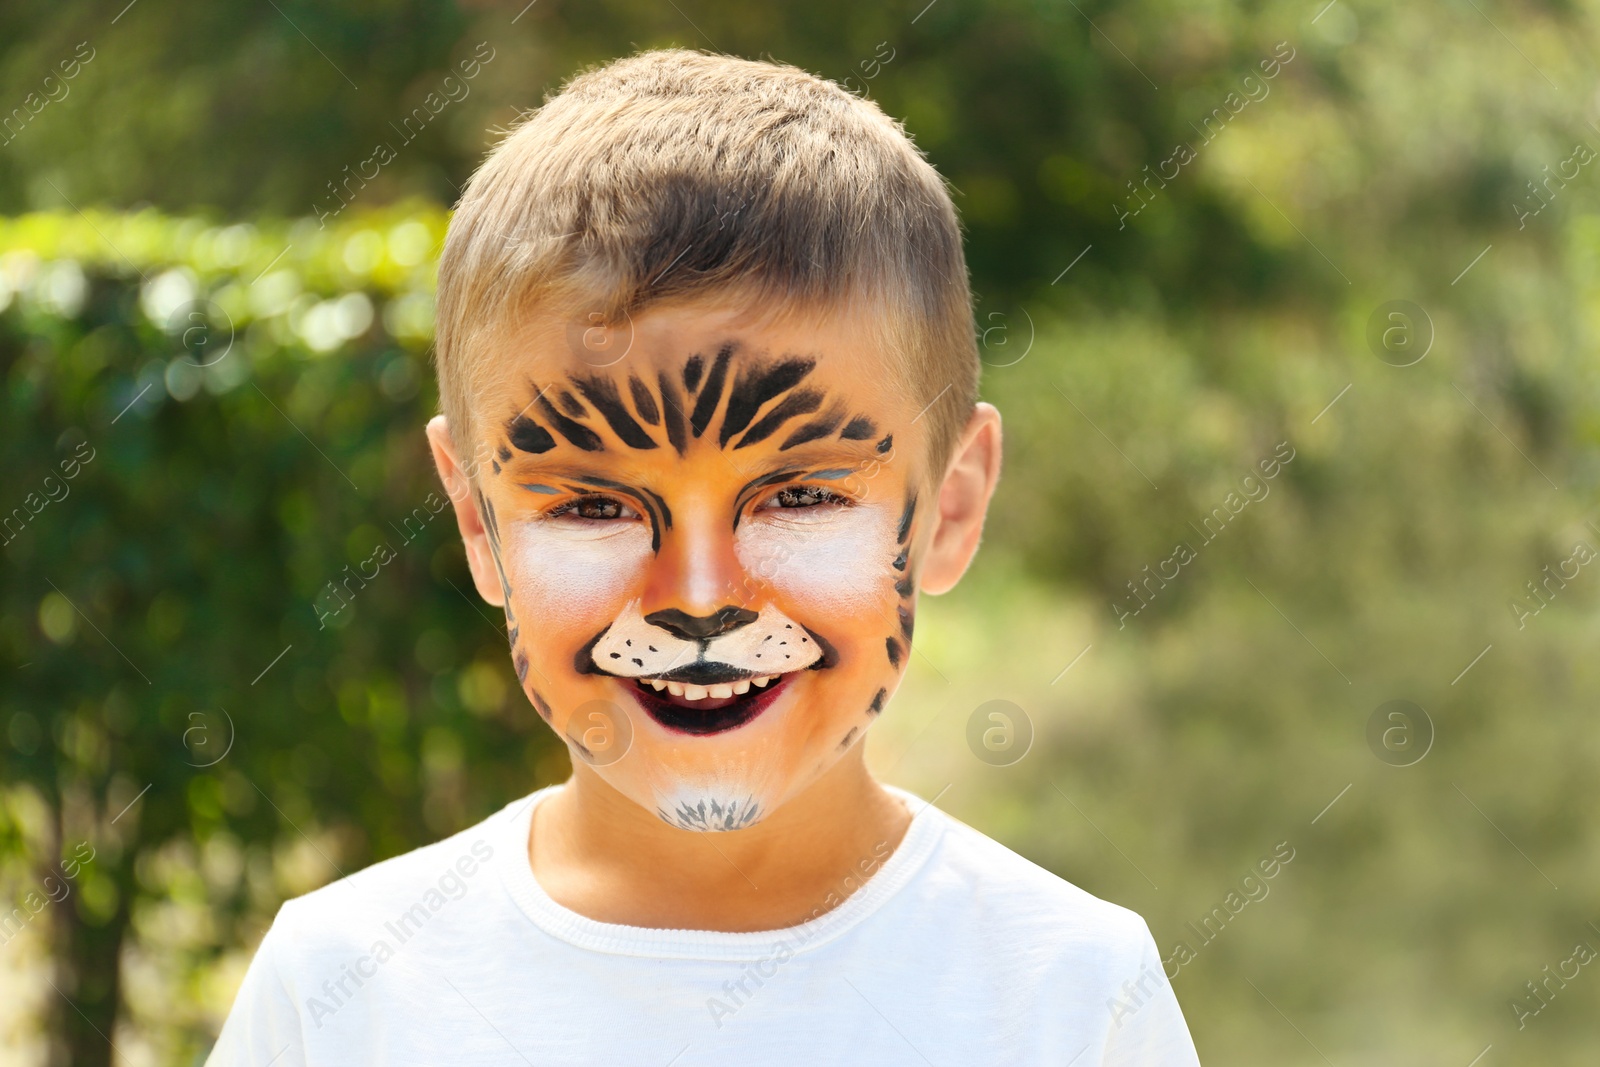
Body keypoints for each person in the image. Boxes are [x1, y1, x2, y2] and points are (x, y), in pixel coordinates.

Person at [207, 47, 1202, 1065]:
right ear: (478, 519)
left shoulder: (1068, 993)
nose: (696, 601)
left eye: (802, 496)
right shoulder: (342, 986)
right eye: (591, 503)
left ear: (949, 506)